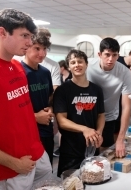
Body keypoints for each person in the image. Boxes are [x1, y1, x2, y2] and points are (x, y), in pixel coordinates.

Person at [0, 8, 51, 189]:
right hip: (10, 168)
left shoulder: (17, 66)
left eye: (31, 36)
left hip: (37, 155)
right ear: (2, 32)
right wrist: (13, 163)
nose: (29, 42)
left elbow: (20, 113)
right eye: (24, 36)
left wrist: (38, 148)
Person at [53, 49, 105, 177]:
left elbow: (101, 115)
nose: (77, 65)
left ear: (86, 64)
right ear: (69, 67)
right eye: (73, 62)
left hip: (92, 146)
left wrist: (99, 132)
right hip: (71, 148)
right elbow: (61, 121)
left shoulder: (96, 89)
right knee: (70, 183)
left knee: (93, 180)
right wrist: (84, 129)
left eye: (80, 61)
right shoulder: (63, 90)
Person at [86, 37, 131, 157]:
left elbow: (126, 106)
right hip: (88, 115)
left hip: (109, 116)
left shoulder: (125, 72)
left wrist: (121, 139)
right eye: (107, 55)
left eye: (114, 55)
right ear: (99, 54)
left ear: (118, 55)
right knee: (86, 152)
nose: (110, 59)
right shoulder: (87, 66)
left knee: (105, 152)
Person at [21, 28, 55, 167]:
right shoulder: (19, 72)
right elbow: (11, 109)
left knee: (47, 171)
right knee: (31, 173)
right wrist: (35, 116)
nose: (42, 53)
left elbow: (50, 97)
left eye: (44, 49)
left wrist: (51, 108)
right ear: (27, 47)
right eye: (37, 48)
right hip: (28, 132)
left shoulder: (45, 72)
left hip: (46, 130)